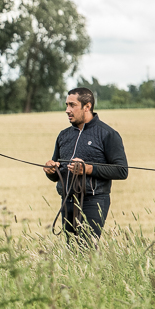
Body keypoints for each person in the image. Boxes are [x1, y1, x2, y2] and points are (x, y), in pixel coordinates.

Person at [44, 87, 128, 241]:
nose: (67, 110)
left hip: (94, 201)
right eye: (66, 105)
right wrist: (51, 171)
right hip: (67, 201)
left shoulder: (108, 134)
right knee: (71, 253)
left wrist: (88, 169)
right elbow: (57, 174)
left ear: (87, 106)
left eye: (72, 105)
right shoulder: (64, 136)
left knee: (87, 250)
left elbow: (122, 171)